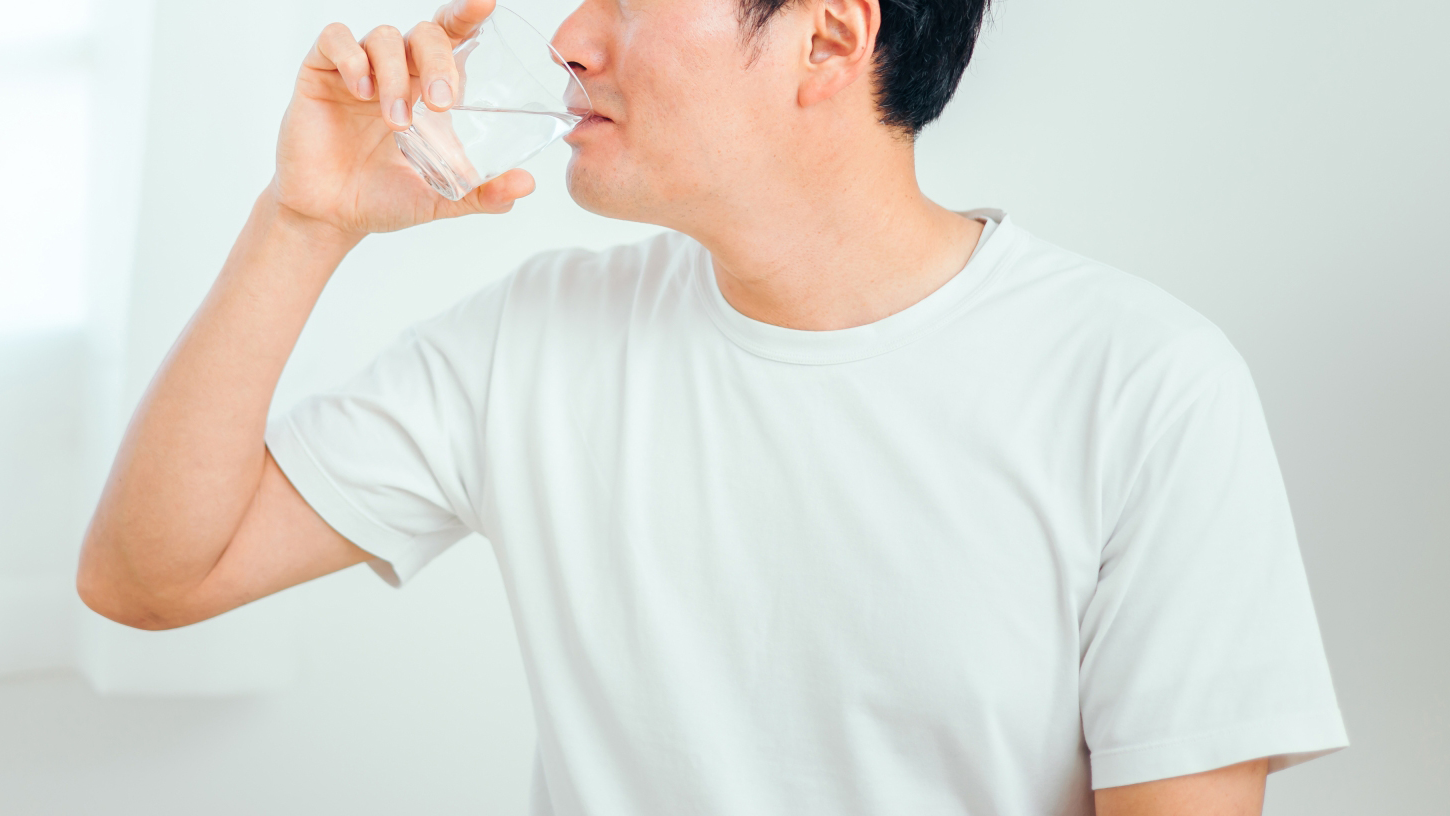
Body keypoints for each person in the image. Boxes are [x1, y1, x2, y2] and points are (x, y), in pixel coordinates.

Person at [76, 0, 1349, 812]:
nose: (570, 38)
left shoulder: (1138, 384)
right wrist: (304, 222)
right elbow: (151, 577)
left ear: (828, 43)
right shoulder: (538, 339)